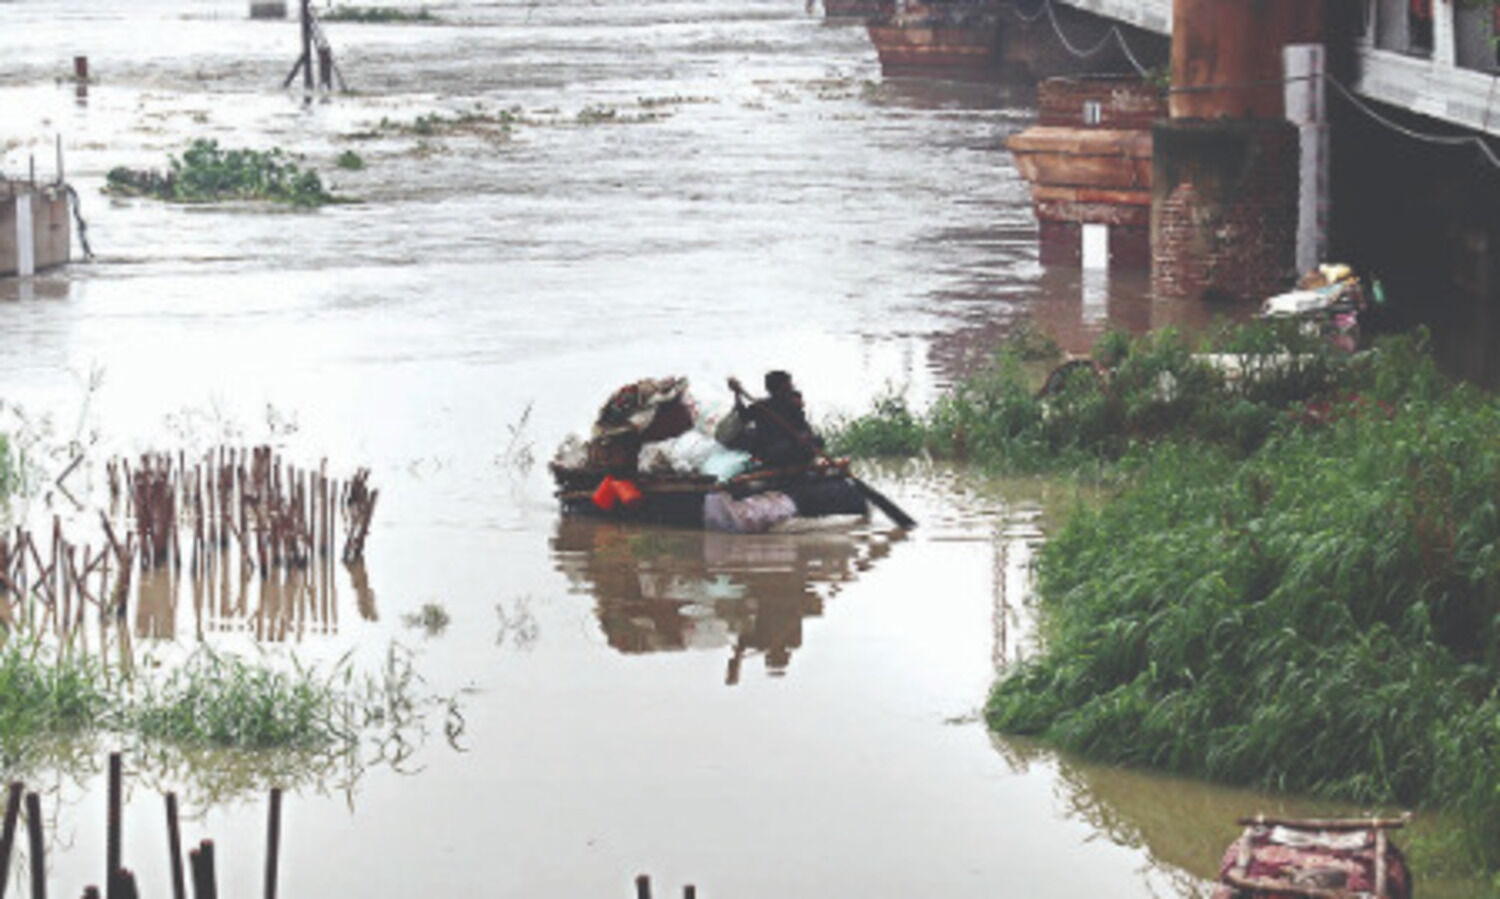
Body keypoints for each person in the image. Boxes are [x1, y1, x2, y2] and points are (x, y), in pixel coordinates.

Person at [724, 370, 825, 467]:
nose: (791, 387)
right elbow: (744, 415)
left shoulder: (791, 405)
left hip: (794, 448)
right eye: (788, 384)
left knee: (818, 440)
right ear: (780, 387)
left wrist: (805, 436)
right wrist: (737, 393)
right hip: (775, 452)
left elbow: (803, 426)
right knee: (783, 449)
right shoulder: (761, 406)